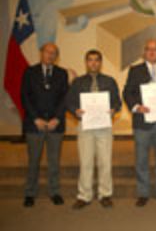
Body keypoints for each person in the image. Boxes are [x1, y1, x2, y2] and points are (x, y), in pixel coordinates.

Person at [123, 39, 156, 207]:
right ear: (144, 52)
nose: (152, 52)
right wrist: (137, 107)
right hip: (142, 123)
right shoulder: (135, 70)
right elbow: (127, 92)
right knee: (141, 160)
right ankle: (143, 193)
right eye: (149, 49)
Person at [66, 50, 121, 209]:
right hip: (85, 125)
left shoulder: (109, 81)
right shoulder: (78, 82)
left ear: (101, 62)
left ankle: (105, 194)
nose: (93, 63)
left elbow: (117, 101)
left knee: (105, 162)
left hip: (104, 125)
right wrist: (75, 110)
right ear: (86, 62)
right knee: (86, 162)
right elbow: (69, 102)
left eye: (97, 60)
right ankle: (84, 195)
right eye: (90, 60)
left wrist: (113, 110)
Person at [20, 42, 68, 207]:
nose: (50, 55)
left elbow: (65, 98)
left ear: (57, 56)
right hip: (35, 125)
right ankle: (30, 193)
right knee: (34, 161)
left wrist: (57, 118)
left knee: (54, 161)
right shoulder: (29, 72)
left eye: (54, 53)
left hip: (56, 125)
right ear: (41, 53)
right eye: (48, 52)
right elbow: (25, 97)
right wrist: (35, 119)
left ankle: (54, 191)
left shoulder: (62, 74)